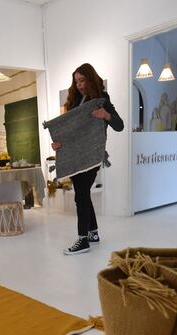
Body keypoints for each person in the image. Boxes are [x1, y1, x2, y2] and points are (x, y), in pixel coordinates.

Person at [53, 63, 123, 255]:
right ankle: (93, 233)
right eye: (76, 81)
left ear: (90, 79)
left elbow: (120, 125)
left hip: (92, 156)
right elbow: (70, 132)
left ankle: (82, 240)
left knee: (80, 196)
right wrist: (57, 143)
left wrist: (105, 114)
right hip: (75, 156)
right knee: (83, 195)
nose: (79, 85)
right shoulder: (74, 103)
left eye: (82, 80)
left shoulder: (102, 99)